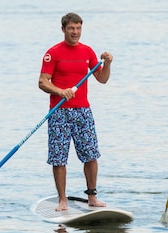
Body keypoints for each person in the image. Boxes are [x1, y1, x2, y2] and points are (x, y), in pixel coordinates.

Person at [39, 12, 113, 212]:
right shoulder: (53, 53)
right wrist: (60, 91)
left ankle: (92, 197)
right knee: (59, 157)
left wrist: (107, 63)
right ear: (63, 29)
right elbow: (42, 82)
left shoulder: (87, 51)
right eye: (71, 28)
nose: (75, 32)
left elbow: (102, 79)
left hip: (83, 111)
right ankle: (62, 200)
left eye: (78, 28)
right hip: (59, 112)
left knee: (90, 154)